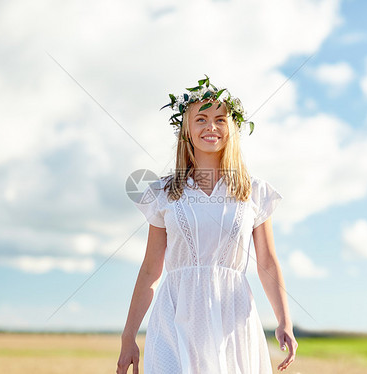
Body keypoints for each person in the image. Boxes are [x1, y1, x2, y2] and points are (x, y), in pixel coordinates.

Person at [117, 76, 298, 373]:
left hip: (232, 316)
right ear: (186, 129)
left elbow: (267, 261)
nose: (211, 127)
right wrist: (129, 335)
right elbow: (151, 267)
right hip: (174, 316)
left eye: (220, 119)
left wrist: (284, 320)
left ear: (232, 129)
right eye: (201, 118)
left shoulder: (253, 191)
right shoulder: (165, 192)